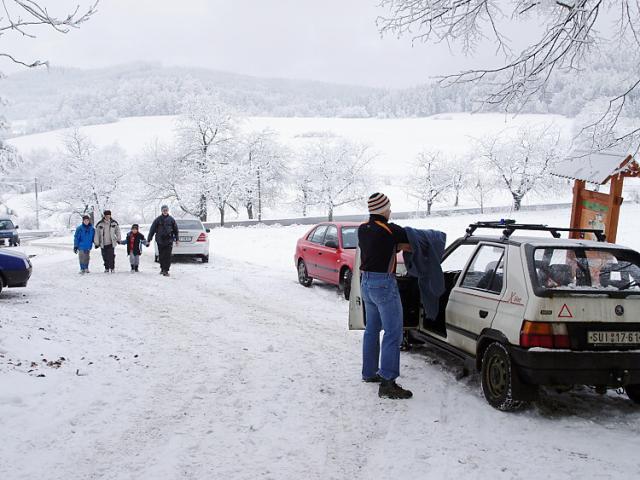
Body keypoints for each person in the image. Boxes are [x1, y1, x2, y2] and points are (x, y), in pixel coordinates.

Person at [358, 192, 413, 400]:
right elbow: (412, 242)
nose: (390, 211)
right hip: (384, 284)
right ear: (383, 209)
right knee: (393, 332)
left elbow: (381, 246)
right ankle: (388, 382)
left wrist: (394, 245)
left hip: (366, 283)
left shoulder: (363, 229)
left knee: (372, 328)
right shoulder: (391, 230)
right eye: (388, 208)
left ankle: (369, 372)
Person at [148, 205, 179, 277]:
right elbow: (152, 230)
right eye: (163, 210)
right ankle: (162, 268)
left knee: (168, 256)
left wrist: (177, 239)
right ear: (161, 211)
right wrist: (149, 239)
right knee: (161, 256)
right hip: (160, 240)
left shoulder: (171, 219)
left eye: (166, 210)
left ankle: (166, 270)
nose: (165, 211)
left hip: (169, 240)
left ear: (168, 210)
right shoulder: (157, 220)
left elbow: (176, 230)